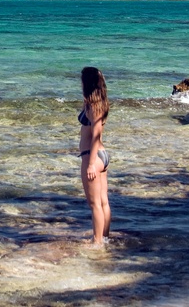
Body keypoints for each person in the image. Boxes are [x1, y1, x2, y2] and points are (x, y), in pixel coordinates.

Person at [78, 66, 111, 245]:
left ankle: (97, 242)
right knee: (103, 202)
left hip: (93, 156)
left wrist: (91, 164)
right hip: (101, 155)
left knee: (95, 204)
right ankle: (105, 237)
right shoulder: (98, 102)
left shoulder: (95, 106)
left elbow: (96, 135)